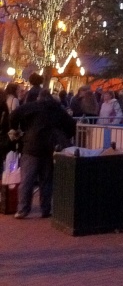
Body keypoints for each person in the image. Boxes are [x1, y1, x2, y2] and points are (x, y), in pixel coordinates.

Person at [10, 88, 76, 219]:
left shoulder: (30, 107)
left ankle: (23, 209)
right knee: (46, 180)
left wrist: (19, 128)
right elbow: (71, 124)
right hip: (49, 147)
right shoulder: (57, 109)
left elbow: (14, 115)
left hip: (31, 146)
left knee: (27, 180)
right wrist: (64, 135)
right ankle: (45, 209)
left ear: (38, 97)